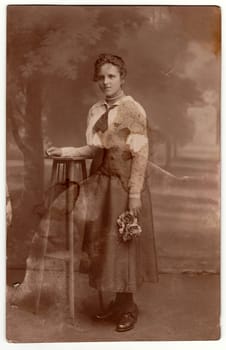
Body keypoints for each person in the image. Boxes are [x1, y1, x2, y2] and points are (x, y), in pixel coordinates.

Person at [47, 53, 158, 332]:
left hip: (123, 186)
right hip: (102, 185)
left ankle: (128, 307)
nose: (106, 82)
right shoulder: (96, 110)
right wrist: (65, 151)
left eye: (112, 76)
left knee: (124, 243)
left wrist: (134, 193)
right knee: (106, 245)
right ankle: (117, 304)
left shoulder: (132, 110)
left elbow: (141, 154)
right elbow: (94, 149)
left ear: (122, 78)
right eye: (102, 77)